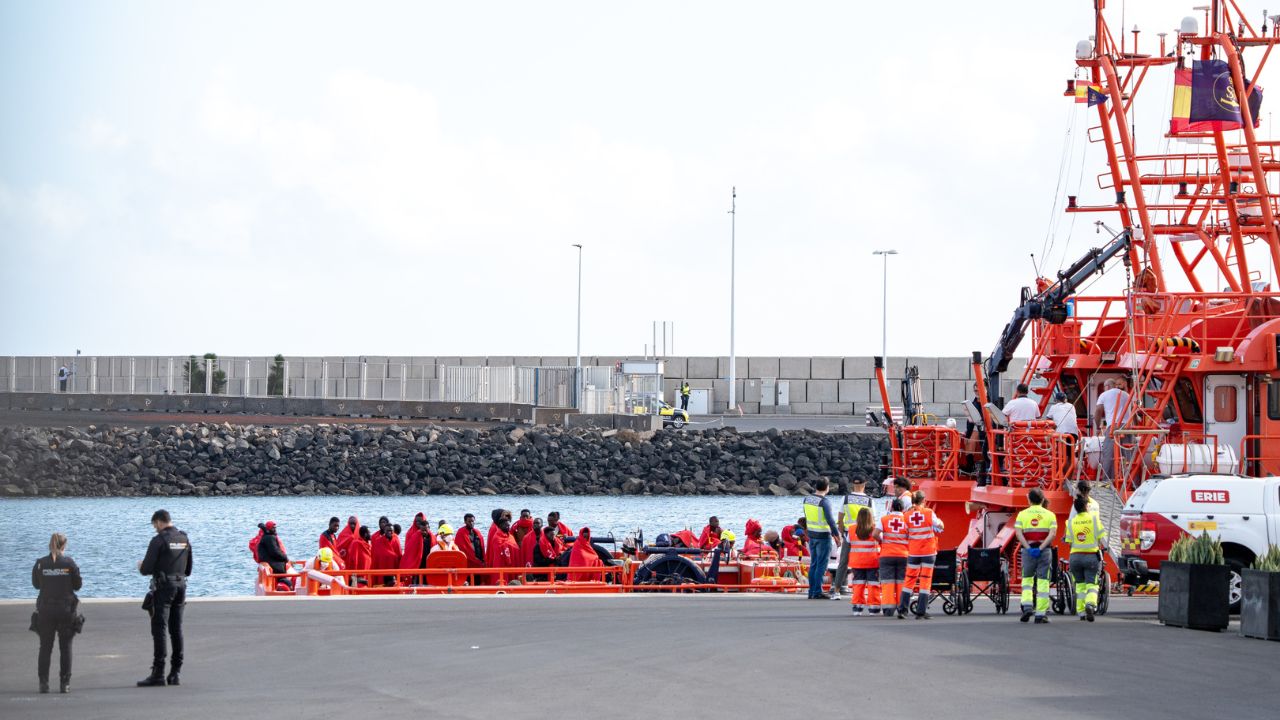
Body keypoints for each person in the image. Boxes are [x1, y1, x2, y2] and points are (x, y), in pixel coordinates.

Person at [137, 509, 192, 687]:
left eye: (155, 526)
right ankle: (176, 673)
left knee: (159, 628)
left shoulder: (158, 540)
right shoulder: (184, 538)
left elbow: (146, 569)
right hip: (181, 587)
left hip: (163, 588)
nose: (155, 529)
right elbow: (189, 569)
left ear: (160, 522)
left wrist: (140, 566)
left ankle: (158, 673)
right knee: (176, 629)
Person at [32, 532, 81, 694]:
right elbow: (78, 585)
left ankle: (43, 683)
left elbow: (36, 585)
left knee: (45, 647)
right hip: (66, 610)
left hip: (46, 610)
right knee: (65, 647)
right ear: (64, 546)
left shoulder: (40, 563)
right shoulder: (69, 563)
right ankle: (64, 684)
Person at [1015, 488, 1058, 624]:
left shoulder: (1022, 514)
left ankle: (1027, 606)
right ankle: (1040, 614)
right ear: (1042, 499)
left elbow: (1018, 533)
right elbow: (1052, 534)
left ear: (1029, 499)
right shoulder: (1050, 515)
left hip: (1027, 552)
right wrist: (1041, 547)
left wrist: (1028, 548)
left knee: (1027, 580)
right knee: (1043, 582)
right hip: (1044, 551)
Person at [902, 491, 944, 619]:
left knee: (909, 580)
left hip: (913, 552)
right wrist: (940, 523)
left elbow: (905, 532)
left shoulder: (906, 515)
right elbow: (939, 525)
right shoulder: (929, 513)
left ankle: (902, 610)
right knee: (925, 581)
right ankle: (921, 611)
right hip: (928, 552)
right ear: (923, 500)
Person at [1066, 495, 1109, 621]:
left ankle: (1081, 612)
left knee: (1079, 585)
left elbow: (1069, 541)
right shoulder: (1095, 519)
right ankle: (1090, 604)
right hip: (1091, 557)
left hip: (1075, 557)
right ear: (1086, 506)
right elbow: (1101, 538)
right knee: (1092, 584)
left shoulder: (1070, 522)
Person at [834, 477, 875, 600]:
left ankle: (836, 591)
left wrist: (841, 534)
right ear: (864, 484)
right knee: (868, 562)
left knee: (843, 563)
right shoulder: (869, 500)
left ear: (853, 485)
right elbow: (873, 520)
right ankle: (869, 592)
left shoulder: (845, 499)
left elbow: (840, 519)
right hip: (865, 535)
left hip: (849, 534)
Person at [802, 477, 843, 600]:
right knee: (821, 565)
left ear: (815, 487)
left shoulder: (807, 499)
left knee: (814, 564)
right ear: (827, 487)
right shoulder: (824, 502)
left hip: (811, 535)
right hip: (823, 536)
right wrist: (836, 536)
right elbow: (830, 520)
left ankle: (811, 591)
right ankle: (817, 591)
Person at [1093, 377, 1133, 482]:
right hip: (1128, 427)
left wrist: (1097, 427)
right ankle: (1131, 481)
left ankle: (1107, 481)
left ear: (1106, 386)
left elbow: (1098, 411)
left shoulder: (1104, 395)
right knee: (1129, 456)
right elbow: (1133, 411)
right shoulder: (1126, 395)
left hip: (1113, 428)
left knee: (1108, 455)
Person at [875, 498, 909, 617]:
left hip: (887, 555)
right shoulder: (906, 519)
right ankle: (901, 607)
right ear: (903, 508)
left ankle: (888, 609)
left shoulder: (884, 519)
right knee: (902, 582)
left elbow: (875, 533)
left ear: (892, 508)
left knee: (887, 583)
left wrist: (882, 541)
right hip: (903, 554)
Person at [847, 508, 881, 616]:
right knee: (873, 585)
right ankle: (874, 609)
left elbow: (848, 542)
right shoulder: (874, 529)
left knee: (858, 585)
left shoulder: (851, 529)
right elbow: (881, 541)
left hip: (857, 562)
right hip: (872, 562)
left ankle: (857, 608)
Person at [485, 509, 520, 585]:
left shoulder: (509, 535)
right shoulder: (495, 530)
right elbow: (496, 549)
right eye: (504, 516)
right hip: (501, 562)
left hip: (511, 562)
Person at [400, 512, 435, 585]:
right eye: (416, 521)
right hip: (417, 563)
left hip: (428, 563)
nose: (418, 523)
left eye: (420, 521)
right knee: (417, 581)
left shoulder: (432, 537)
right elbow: (408, 551)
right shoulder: (412, 534)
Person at [370, 517, 402, 587]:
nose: (389, 532)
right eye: (388, 531)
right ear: (384, 531)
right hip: (382, 568)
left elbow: (399, 555)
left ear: (393, 531)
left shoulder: (396, 540)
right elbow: (374, 557)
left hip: (393, 568)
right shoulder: (378, 541)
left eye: (391, 531)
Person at [456, 513, 486, 578]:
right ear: (465, 522)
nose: (471, 523)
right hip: (468, 564)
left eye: (473, 521)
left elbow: (482, 547)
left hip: (479, 562)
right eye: (469, 521)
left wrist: (483, 560)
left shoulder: (477, 532)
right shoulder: (461, 533)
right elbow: (463, 549)